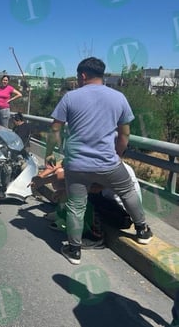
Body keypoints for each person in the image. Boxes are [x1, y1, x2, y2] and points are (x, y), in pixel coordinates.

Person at [44, 56, 153, 265]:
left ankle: (74, 250)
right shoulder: (118, 97)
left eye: (78, 76)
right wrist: (118, 154)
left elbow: (55, 129)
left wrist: (53, 151)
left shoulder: (70, 98)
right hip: (108, 163)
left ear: (83, 75)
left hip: (77, 165)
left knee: (77, 205)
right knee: (127, 190)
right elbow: (124, 135)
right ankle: (142, 230)